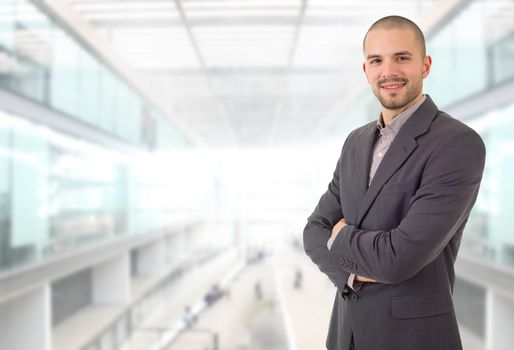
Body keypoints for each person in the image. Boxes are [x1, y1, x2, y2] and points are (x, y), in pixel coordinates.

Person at [303, 15, 486, 350]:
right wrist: (356, 269)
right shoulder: (354, 143)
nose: (388, 71)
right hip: (346, 337)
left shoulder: (457, 144)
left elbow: (400, 257)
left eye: (401, 57)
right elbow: (314, 230)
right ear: (366, 71)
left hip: (413, 340)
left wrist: (340, 237)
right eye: (377, 60)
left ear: (425, 65)